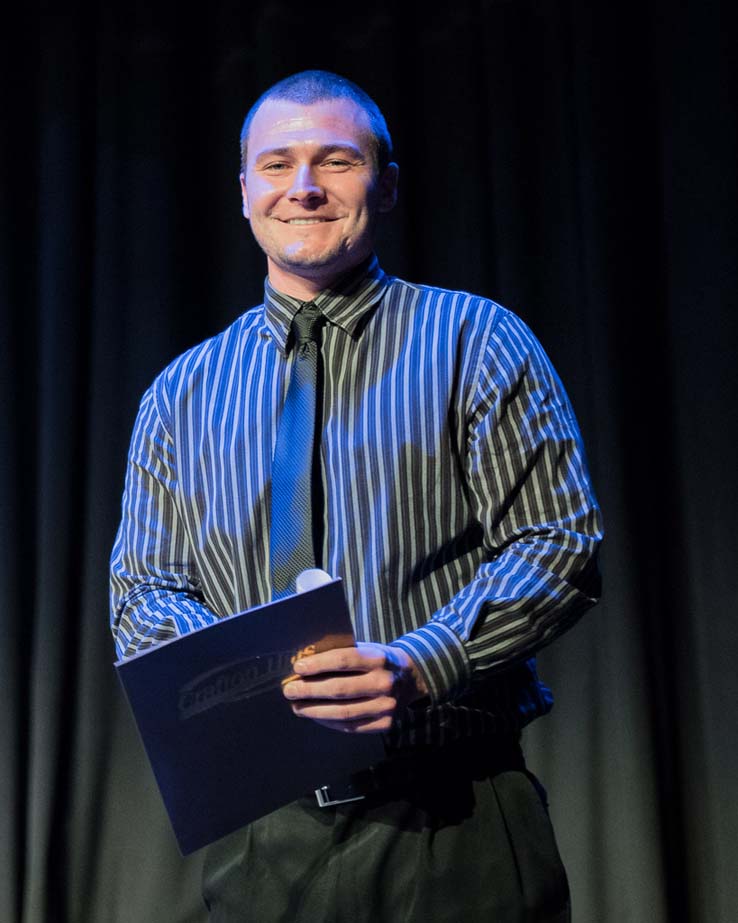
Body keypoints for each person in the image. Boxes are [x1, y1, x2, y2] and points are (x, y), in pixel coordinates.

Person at [110, 69, 603, 922]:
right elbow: (144, 588)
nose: (303, 186)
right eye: (276, 165)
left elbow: (558, 543)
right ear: (242, 192)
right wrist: (250, 690)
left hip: (454, 820)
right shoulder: (179, 393)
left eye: (335, 160)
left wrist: (418, 663)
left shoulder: (475, 339)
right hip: (263, 842)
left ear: (387, 182)